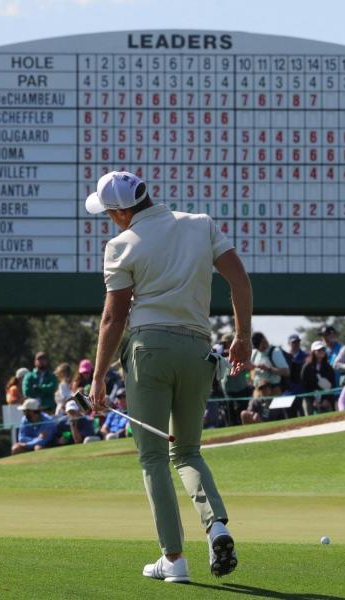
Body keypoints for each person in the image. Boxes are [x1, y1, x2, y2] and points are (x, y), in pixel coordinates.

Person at [86, 170, 251, 582]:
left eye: (109, 213)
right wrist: (243, 337)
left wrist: (99, 376)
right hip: (198, 350)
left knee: (155, 456)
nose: (109, 220)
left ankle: (174, 559)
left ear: (123, 212)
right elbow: (239, 280)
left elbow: (114, 316)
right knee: (189, 452)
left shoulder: (120, 245)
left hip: (149, 351)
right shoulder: (200, 224)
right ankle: (218, 528)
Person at [249, 332, 290, 398]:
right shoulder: (255, 352)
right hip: (258, 390)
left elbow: (286, 372)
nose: (257, 349)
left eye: (258, 345)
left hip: (273, 391)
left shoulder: (275, 351)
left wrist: (268, 369)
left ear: (263, 341)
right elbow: (250, 370)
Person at [300, 340, 336, 414]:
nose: (321, 351)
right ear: (313, 352)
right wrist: (312, 400)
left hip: (327, 400)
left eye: (323, 349)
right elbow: (304, 386)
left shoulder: (328, 367)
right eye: (319, 350)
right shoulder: (307, 367)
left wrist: (327, 399)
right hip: (312, 400)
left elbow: (332, 384)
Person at [3, 368, 29, 445]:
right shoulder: (14, 388)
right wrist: (24, 400)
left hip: (24, 417)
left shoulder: (25, 388)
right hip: (17, 417)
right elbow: (11, 401)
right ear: (20, 378)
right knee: (17, 439)